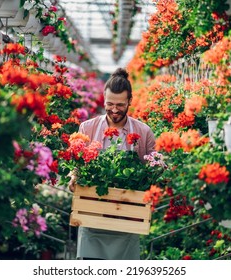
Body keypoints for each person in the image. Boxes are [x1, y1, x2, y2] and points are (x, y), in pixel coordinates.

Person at [69, 67, 156, 260]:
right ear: (103, 99)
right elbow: (79, 164)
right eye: (109, 104)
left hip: (127, 216)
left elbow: (152, 169)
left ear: (130, 102)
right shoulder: (87, 127)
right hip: (93, 215)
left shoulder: (144, 132)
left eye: (120, 105)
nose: (114, 110)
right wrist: (74, 176)